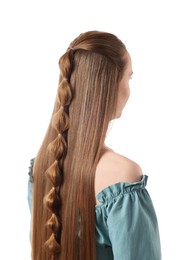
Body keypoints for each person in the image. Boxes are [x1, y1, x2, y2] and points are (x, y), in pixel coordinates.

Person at [28, 30, 161, 260]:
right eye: (129, 77)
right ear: (109, 86)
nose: (129, 89)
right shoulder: (123, 177)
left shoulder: (43, 166)